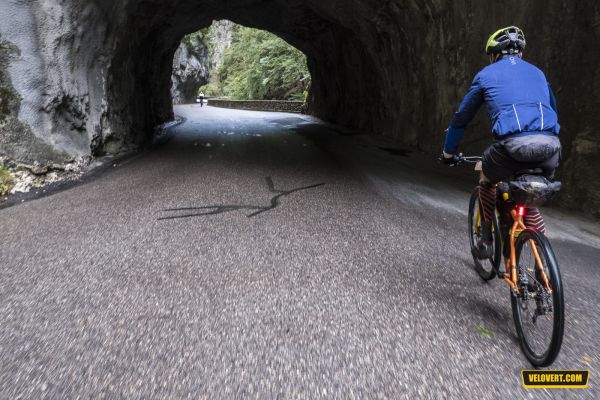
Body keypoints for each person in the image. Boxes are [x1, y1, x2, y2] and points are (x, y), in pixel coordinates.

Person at [442, 26, 561, 259]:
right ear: (521, 54)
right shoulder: (538, 74)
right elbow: (553, 110)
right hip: (550, 147)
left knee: (487, 180)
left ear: (494, 55)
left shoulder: (486, 75)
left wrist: (448, 153)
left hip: (512, 148)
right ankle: (542, 264)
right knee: (529, 197)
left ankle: (485, 240)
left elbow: (461, 119)